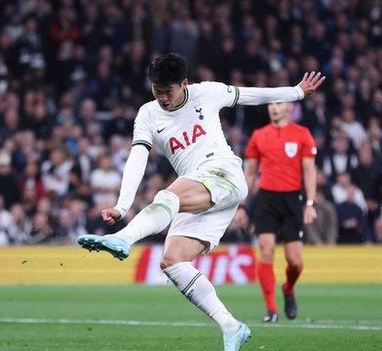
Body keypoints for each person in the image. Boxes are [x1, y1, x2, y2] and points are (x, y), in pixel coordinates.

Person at [77, 53, 325, 351]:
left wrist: (296, 92)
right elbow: (137, 158)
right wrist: (121, 205)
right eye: (157, 91)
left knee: (167, 195)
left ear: (184, 83)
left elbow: (253, 95)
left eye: (168, 91)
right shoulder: (147, 114)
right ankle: (232, 327)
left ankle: (123, 238)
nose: (163, 99)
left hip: (223, 172)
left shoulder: (207, 93)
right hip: (200, 191)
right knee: (172, 261)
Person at [243, 101, 318, 323]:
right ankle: (271, 309)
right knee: (266, 251)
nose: (274, 107)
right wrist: (240, 205)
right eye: (271, 104)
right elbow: (250, 173)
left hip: (293, 200)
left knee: (295, 261)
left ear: (289, 108)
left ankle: (288, 288)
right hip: (266, 199)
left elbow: (309, 170)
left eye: (279, 103)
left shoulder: (302, 134)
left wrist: (310, 203)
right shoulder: (259, 135)